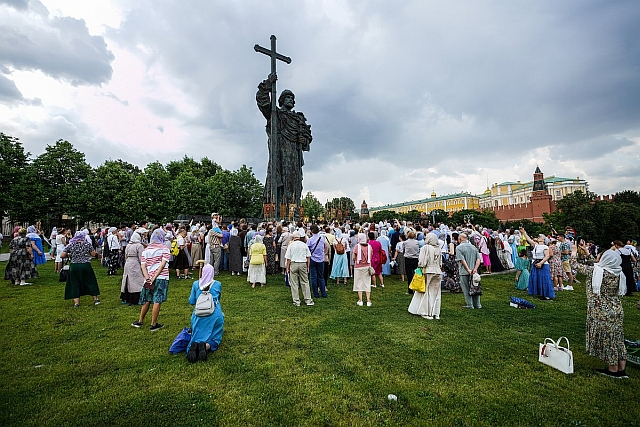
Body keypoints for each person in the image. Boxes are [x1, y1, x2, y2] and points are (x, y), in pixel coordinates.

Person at [256, 74, 312, 208]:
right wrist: (268, 84)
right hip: (279, 154)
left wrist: (303, 140)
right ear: (281, 100)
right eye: (287, 97)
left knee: (294, 183)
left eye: (292, 98)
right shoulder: (276, 114)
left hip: (294, 157)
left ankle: (292, 210)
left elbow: (307, 139)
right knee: (277, 181)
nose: (290, 100)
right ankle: (277, 211)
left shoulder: (298, 119)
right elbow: (263, 102)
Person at [571, 250, 628, 378]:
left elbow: (573, 264)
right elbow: (598, 263)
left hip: (601, 312)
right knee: (618, 338)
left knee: (608, 340)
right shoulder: (618, 272)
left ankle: (613, 369)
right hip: (617, 310)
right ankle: (621, 368)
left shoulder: (596, 272)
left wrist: (574, 252)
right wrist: (587, 253)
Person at [132, 228, 170, 331]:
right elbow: (162, 265)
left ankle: (140, 321)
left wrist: (148, 278)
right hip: (161, 278)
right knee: (157, 300)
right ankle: (153, 324)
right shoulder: (165, 249)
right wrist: (154, 278)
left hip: (148, 279)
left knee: (147, 299)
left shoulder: (146, 250)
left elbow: (143, 266)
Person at [186, 264, 224, 363]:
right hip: (214, 314)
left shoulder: (195, 284)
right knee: (216, 338)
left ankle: (195, 345)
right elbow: (218, 299)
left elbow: (191, 301)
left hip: (199, 314)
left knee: (197, 333)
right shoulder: (218, 284)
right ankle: (206, 346)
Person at [61, 231, 100, 307]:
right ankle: (96, 299)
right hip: (86, 265)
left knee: (74, 282)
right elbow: (93, 254)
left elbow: (62, 255)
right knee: (91, 281)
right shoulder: (87, 244)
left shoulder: (71, 244)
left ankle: (76, 303)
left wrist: (69, 255)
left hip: (74, 266)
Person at [409, 233, 443, 319]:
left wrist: (420, 267)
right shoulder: (438, 248)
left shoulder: (426, 247)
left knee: (426, 291)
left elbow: (422, 262)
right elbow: (440, 263)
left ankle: (425, 312)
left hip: (428, 270)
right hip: (438, 271)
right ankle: (436, 313)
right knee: (436, 293)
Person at [521, 228, 555, 300]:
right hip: (535, 263)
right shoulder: (536, 245)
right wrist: (524, 232)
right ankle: (540, 293)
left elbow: (547, 256)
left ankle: (547, 295)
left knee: (544, 279)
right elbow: (529, 239)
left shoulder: (545, 247)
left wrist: (540, 263)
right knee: (537, 278)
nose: (538, 237)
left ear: (543, 240)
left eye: (540, 237)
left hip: (543, 264)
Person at [285, 231, 314, 306]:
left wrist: (287, 268)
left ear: (293, 237)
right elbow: (308, 257)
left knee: (294, 283)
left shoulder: (291, 245)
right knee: (305, 282)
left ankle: (296, 301)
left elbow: (288, 258)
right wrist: (308, 266)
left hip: (294, 263)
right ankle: (308, 300)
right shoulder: (304, 245)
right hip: (302, 263)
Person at [455, 233, 482, 309]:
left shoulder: (459, 248)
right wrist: (475, 269)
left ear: (460, 239)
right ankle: (478, 304)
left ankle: (469, 305)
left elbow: (462, 260)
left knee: (466, 288)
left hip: (464, 271)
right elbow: (478, 259)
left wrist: (468, 269)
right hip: (474, 272)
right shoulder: (473, 247)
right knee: (475, 287)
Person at [120, 231, 145, 306]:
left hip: (128, 263)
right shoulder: (139, 246)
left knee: (127, 280)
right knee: (136, 280)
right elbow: (141, 257)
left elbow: (125, 256)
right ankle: (135, 298)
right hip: (135, 263)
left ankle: (126, 297)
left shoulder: (128, 245)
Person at [352, 233, 372, 306]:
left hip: (358, 266)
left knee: (359, 283)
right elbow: (371, 255)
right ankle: (368, 301)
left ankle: (360, 300)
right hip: (367, 266)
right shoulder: (369, 247)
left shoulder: (357, 247)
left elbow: (354, 257)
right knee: (367, 283)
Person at [307, 225, 327, 298]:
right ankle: (323, 293)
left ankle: (316, 294)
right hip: (321, 259)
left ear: (311, 231)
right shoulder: (322, 238)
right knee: (321, 277)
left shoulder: (310, 240)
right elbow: (324, 247)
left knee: (313, 277)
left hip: (312, 259)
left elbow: (307, 250)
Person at [403, 231, 420, 295]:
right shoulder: (417, 242)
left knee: (409, 275)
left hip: (408, 259)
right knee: (417, 274)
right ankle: (417, 288)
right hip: (415, 259)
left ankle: (410, 290)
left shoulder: (405, 242)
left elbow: (403, 250)